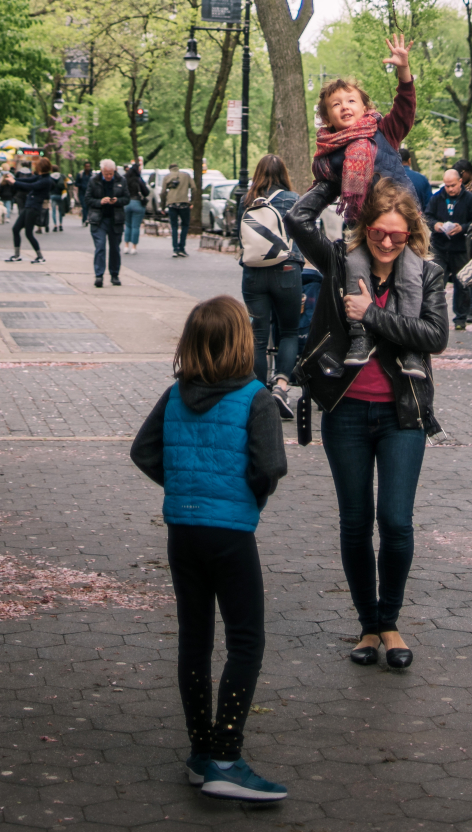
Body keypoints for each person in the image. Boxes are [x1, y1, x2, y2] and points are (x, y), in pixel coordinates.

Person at [130, 296, 288, 803]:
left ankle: (200, 752)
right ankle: (227, 755)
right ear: (243, 342)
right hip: (231, 533)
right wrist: (249, 497)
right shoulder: (256, 397)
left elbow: (143, 451)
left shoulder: (175, 395)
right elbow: (269, 466)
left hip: (183, 531)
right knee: (246, 639)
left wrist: (181, 486)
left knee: (194, 640)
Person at [288, 176, 446, 669]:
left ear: (411, 233)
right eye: (379, 231)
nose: (386, 242)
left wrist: (372, 317)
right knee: (356, 524)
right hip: (347, 411)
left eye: (398, 235)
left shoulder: (428, 274)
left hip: (403, 413)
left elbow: (435, 335)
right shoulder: (339, 262)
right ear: (364, 226)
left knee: (395, 522)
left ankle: (390, 621)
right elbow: (297, 219)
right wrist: (334, 175)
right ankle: (368, 625)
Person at [299, 34, 417, 229]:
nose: (345, 107)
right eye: (336, 104)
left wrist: (403, 69)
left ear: (364, 108)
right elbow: (321, 188)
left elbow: (405, 107)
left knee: (412, 261)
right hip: (362, 227)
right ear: (327, 118)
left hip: (402, 222)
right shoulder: (326, 157)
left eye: (351, 101)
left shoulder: (383, 131)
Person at [236, 154, 301, 421]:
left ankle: (259, 397)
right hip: (287, 271)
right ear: (284, 173)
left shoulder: (246, 200)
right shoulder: (294, 199)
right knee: (289, 332)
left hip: (253, 273)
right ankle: (282, 387)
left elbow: (238, 235)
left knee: (258, 339)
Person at [424, 167, 472, 331]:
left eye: (452, 185)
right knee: (436, 282)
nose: (449, 189)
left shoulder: (470, 199)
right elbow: (427, 216)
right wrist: (435, 225)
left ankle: (461, 317)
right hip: (440, 246)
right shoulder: (437, 198)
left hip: (460, 248)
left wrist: (462, 228)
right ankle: (433, 315)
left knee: (462, 284)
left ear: (459, 182)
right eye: (447, 185)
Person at [88, 158, 126, 287]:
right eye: (106, 174)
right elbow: (87, 199)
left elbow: (126, 198)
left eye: (111, 173)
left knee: (115, 248)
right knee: (100, 247)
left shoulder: (121, 180)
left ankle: (114, 275)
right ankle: (99, 275)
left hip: (116, 219)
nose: (109, 176)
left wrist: (117, 200)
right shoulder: (94, 181)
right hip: (99, 219)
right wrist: (100, 201)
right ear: (102, 171)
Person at [7, 158, 51, 264]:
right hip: (29, 206)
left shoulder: (46, 180)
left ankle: (40, 256)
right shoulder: (40, 177)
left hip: (34, 208)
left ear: (40, 167)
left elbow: (31, 186)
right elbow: (29, 180)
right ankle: (17, 255)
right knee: (16, 229)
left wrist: (14, 183)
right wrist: (15, 179)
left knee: (28, 233)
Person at [161, 165, 196, 256]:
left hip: (172, 203)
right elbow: (194, 188)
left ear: (170, 169)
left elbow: (163, 192)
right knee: (185, 225)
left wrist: (163, 206)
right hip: (184, 203)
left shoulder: (167, 177)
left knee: (174, 226)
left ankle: (175, 249)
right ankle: (182, 248)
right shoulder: (186, 175)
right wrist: (192, 202)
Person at [122, 158, 149, 252]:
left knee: (127, 225)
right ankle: (133, 247)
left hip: (126, 204)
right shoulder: (138, 180)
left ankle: (126, 246)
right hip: (137, 203)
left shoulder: (124, 179)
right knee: (135, 226)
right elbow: (146, 192)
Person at [399, 149, 432, 214]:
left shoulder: (388, 178)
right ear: (409, 160)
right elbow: (429, 204)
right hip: (417, 219)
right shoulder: (422, 179)